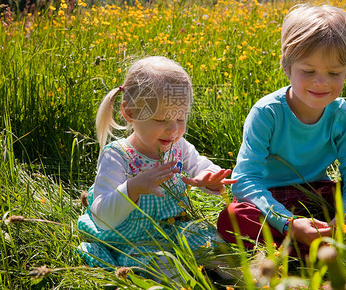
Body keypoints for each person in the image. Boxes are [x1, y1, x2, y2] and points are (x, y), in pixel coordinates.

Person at [217, 4, 346, 264]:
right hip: (274, 200)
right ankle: (324, 260)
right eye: (308, 71)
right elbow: (245, 180)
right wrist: (289, 223)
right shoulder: (267, 113)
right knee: (233, 216)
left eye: (334, 73)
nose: (321, 82)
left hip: (320, 196)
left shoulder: (342, 115)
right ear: (287, 67)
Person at [78, 56, 237, 279]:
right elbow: (102, 216)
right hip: (136, 241)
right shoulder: (119, 156)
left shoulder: (178, 146)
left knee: (222, 253)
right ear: (130, 113)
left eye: (181, 118)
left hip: (176, 229)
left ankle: (248, 281)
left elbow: (201, 164)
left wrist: (207, 177)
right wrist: (133, 187)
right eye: (161, 120)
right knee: (169, 271)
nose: (173, 130)